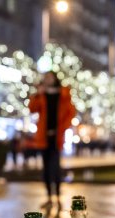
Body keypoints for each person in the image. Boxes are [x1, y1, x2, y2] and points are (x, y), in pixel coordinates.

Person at [27, 72, 76, 207]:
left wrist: (63, 128)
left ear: (55, 79)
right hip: (43, 137)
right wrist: (37, 94)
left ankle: (58, 198)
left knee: (55, 168)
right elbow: (32, 109)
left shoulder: (64, 94)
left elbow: (71, 112)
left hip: (57, 137)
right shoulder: (41, 94)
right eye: (46, 78)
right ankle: (49, 198)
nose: (47, 80)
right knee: (46, 169)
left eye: (50, 77)